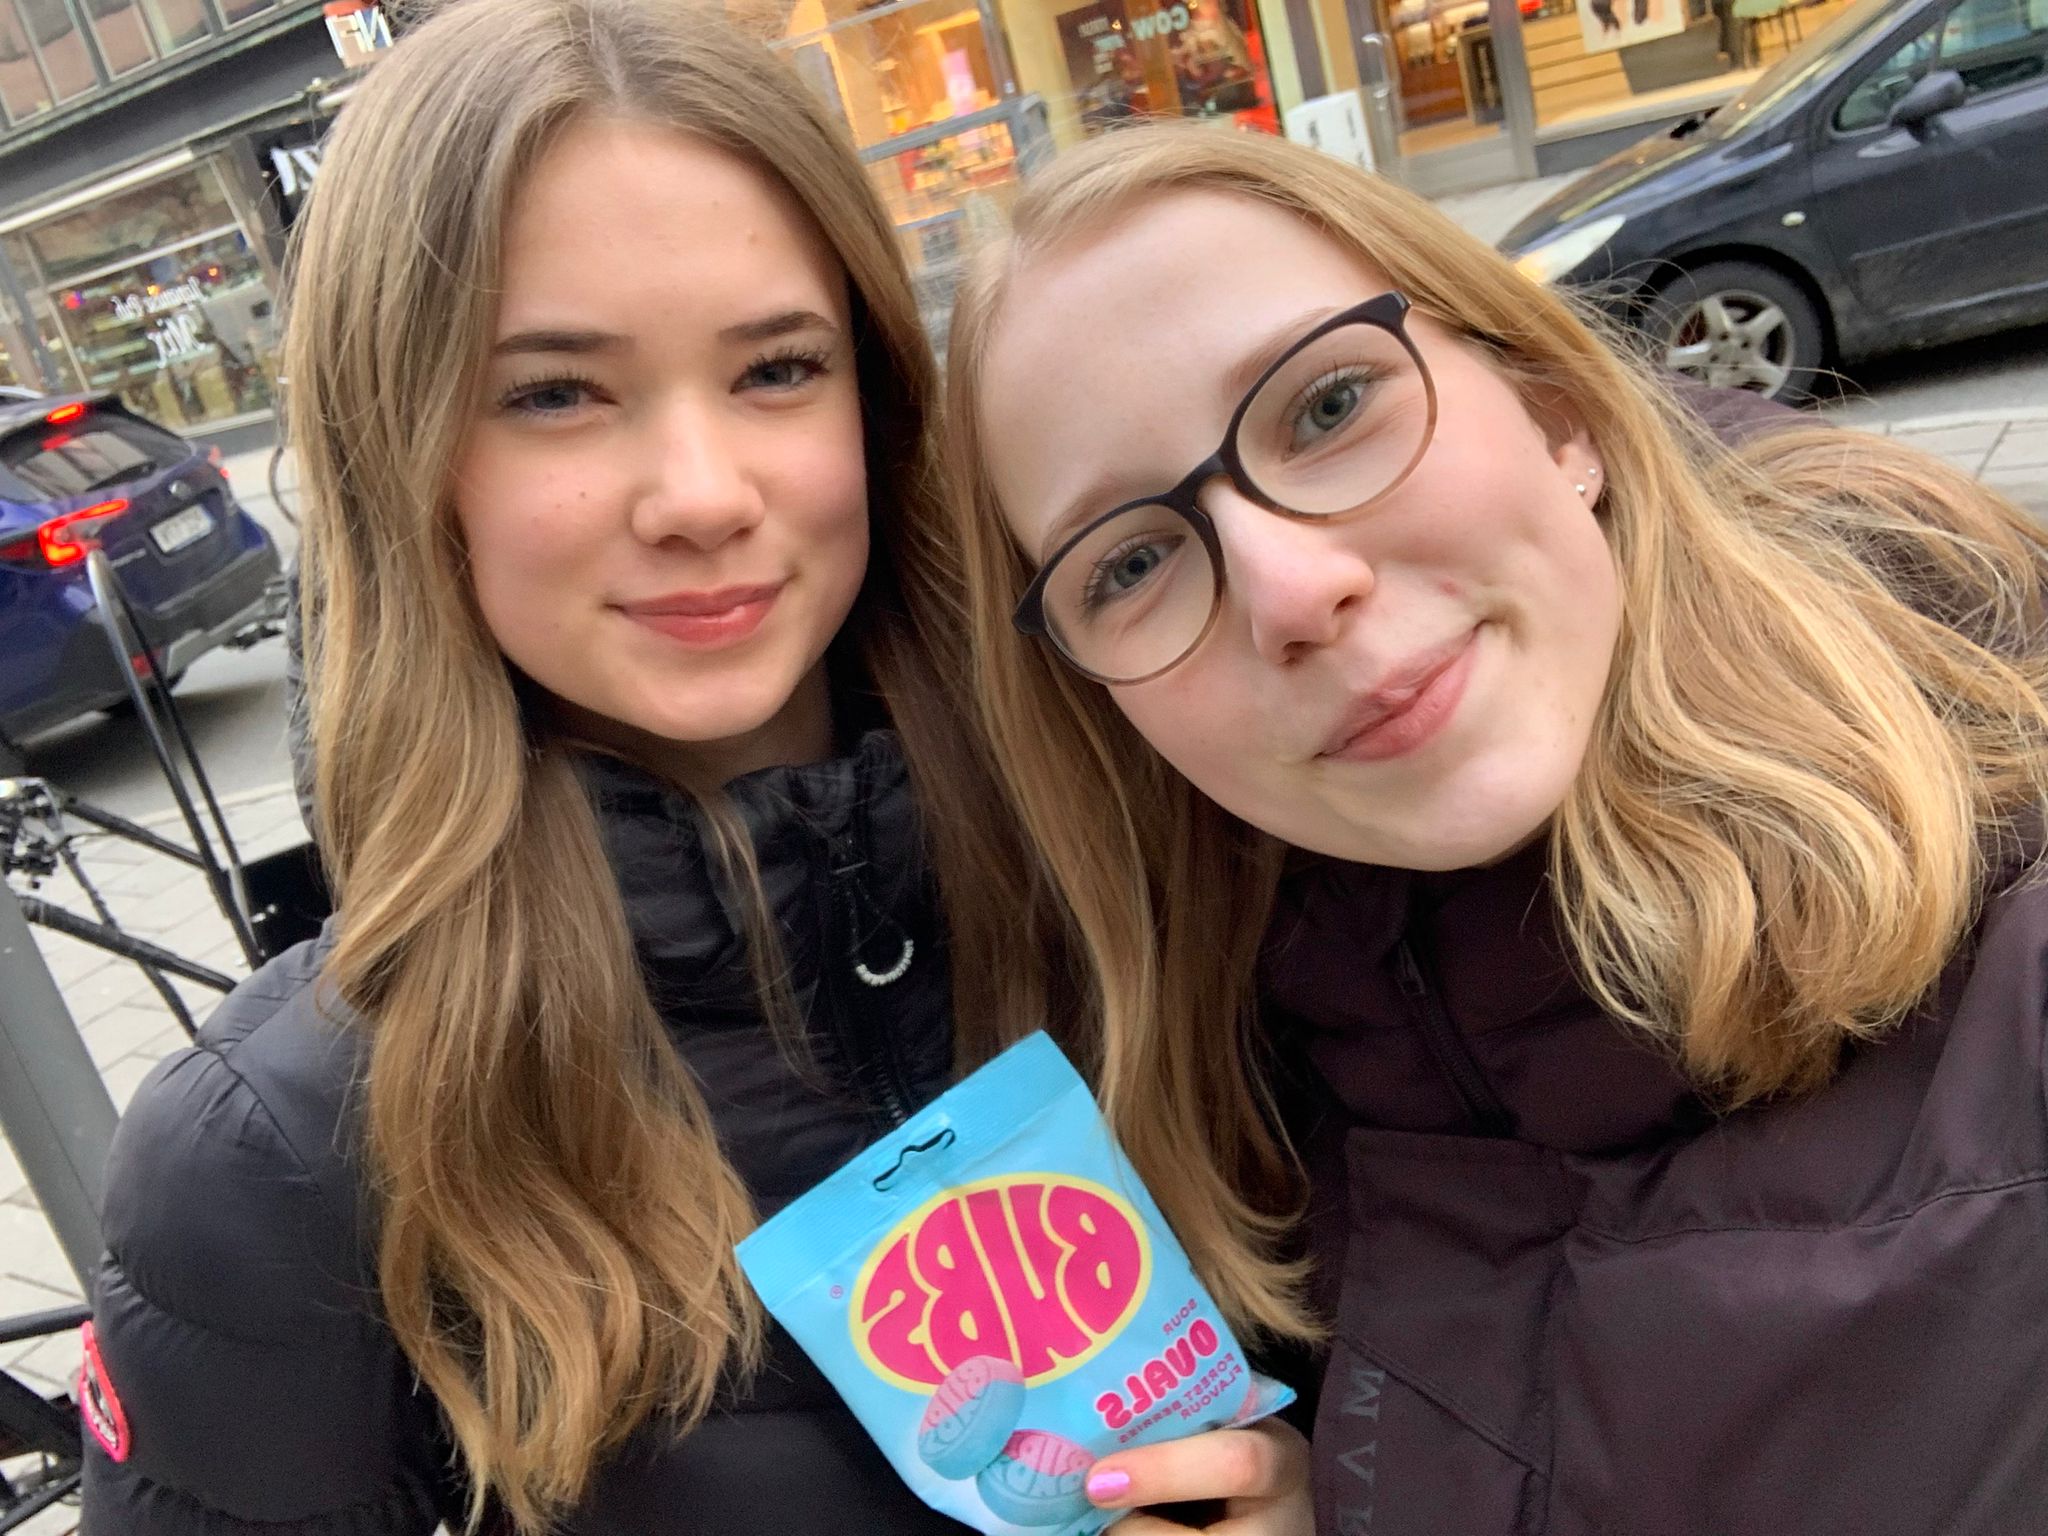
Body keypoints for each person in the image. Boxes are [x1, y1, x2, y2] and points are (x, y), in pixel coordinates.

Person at [78, 9, 1317, 1532]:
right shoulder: (278, 1159)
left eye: (777, 369)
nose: (701, 494)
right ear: (397, 457)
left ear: (877, 397)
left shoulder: (1178, 842)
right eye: (555, 393)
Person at [943, 123, 2048, 1533]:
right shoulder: (1229, 1105)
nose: (1290, 592)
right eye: (1135, 562)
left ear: (1553, 409)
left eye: (1328, 406)